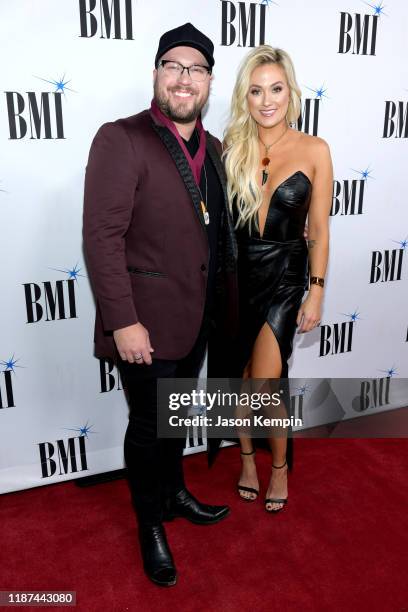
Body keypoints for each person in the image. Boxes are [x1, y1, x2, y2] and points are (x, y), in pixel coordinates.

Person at [83, 23, 237, 587]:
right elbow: (101, 237)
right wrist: (123, 320)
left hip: (195, 319)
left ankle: (173, 493)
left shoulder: (216, 149)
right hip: (143, 323)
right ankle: (151, 523)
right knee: (148, 426)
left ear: (209, 82)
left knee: (173, 418)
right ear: (155, 73)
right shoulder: (120, 138)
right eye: (173, 66)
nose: (183, 78)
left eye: (195, 70)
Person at [223, 45, 333, 513]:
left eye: (275, 88)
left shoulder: (315, 150)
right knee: (240, 378)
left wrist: (317, 291)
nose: (266, 100)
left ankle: (280, 467)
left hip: (286, 279)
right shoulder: (231, 146)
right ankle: (248, 460)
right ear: (244, 98)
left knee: (264, 382)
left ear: (290, 92)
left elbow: (321, 229)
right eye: (255, 91)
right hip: (237, 276)